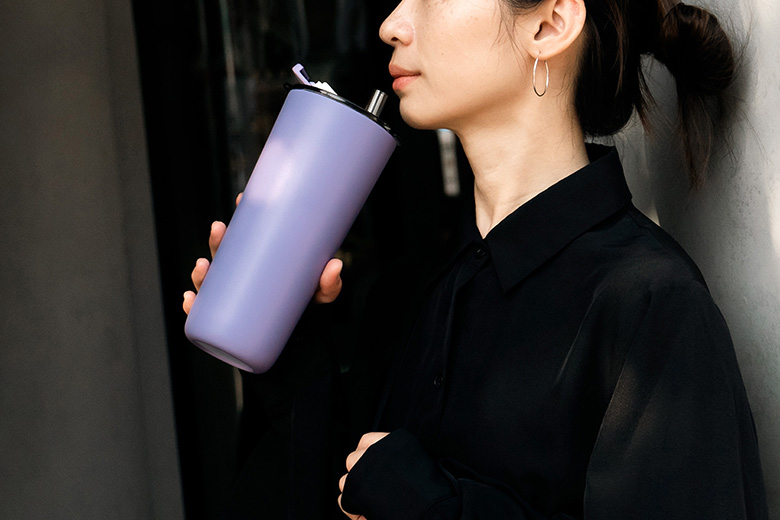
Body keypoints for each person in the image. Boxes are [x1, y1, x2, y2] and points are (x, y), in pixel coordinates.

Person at [184, 0, 769, 518]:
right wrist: (286, 351)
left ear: (548, 25)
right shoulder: (403, 294)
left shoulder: (649, 304)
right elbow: (338, 489)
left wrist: (432, 506)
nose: (391, 25)